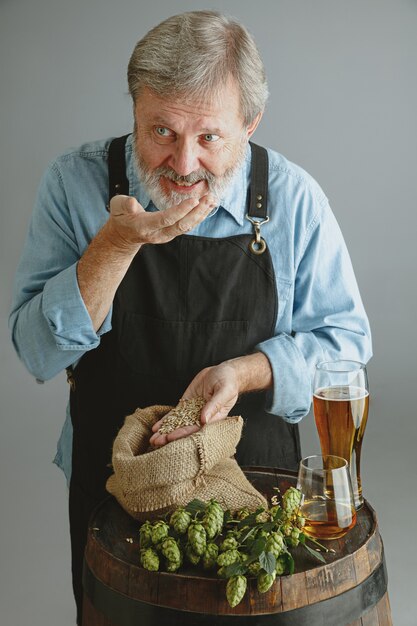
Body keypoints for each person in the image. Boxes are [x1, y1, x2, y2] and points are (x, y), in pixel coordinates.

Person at [9, 10, 372, 624]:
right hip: (116, 493)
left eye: (209, 137)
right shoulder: (72, 186)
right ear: (133, 109)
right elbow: (36, 353)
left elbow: (346, 347)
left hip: (254, 498)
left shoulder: (293, 201)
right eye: (160, 131)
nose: (182, 163)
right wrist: (113, 247)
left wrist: (248, 371)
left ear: (249, 125)